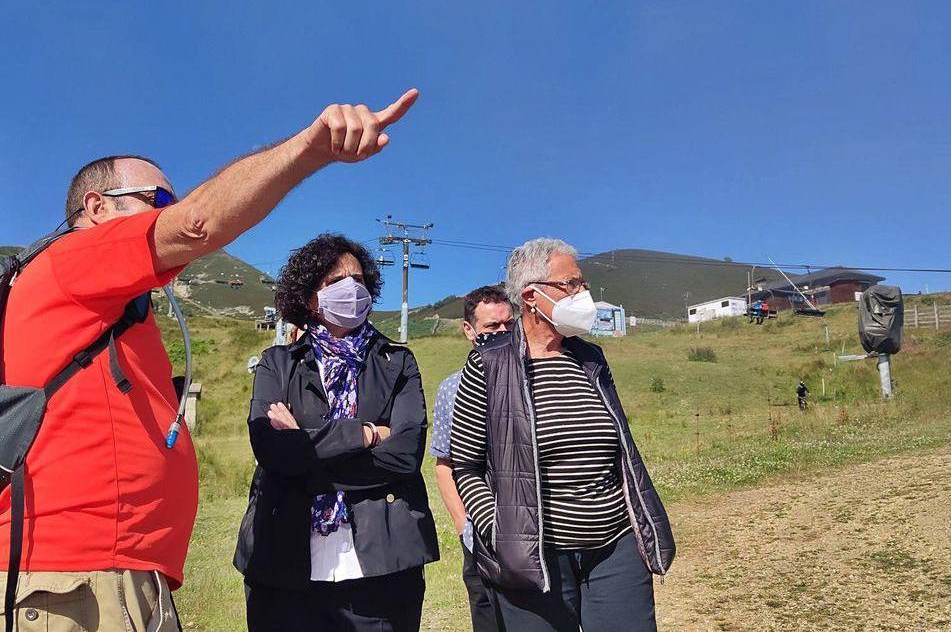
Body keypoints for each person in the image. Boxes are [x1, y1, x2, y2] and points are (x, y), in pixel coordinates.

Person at [0, 89, 421, 631]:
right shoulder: (76, 258)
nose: (168, 213)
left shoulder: (111, 306)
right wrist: (312, 148)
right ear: (97, 207)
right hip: (69, 582)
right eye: (156, 200)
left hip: (101, 576)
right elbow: (199, 223)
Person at [450, 238, 676, 632]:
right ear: (531, 296)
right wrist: (502, 531)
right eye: (571, 284)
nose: (583, 294)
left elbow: (618, 447)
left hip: (616, 546)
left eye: (582, 284)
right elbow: (465, 467)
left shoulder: (591, 359)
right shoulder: (488, 363)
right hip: (535, 557)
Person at [235, 234, 439, 631]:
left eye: (359, 279)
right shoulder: (278, 363)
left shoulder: (397, 362)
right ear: (309, 297)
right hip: (283, 570)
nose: (352, 288)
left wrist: (306, 447)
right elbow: (272, 451)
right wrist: (364, 434)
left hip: (382, 569)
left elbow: (405, 454)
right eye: (335, 281)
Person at [432, 285, 515, 631]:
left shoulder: (533, 376)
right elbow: (444, 465)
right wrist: (464, 527)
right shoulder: (452, 388)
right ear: (469, 331)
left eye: (509, 326)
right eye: (491, 328)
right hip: (481, 537)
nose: (502, 334)